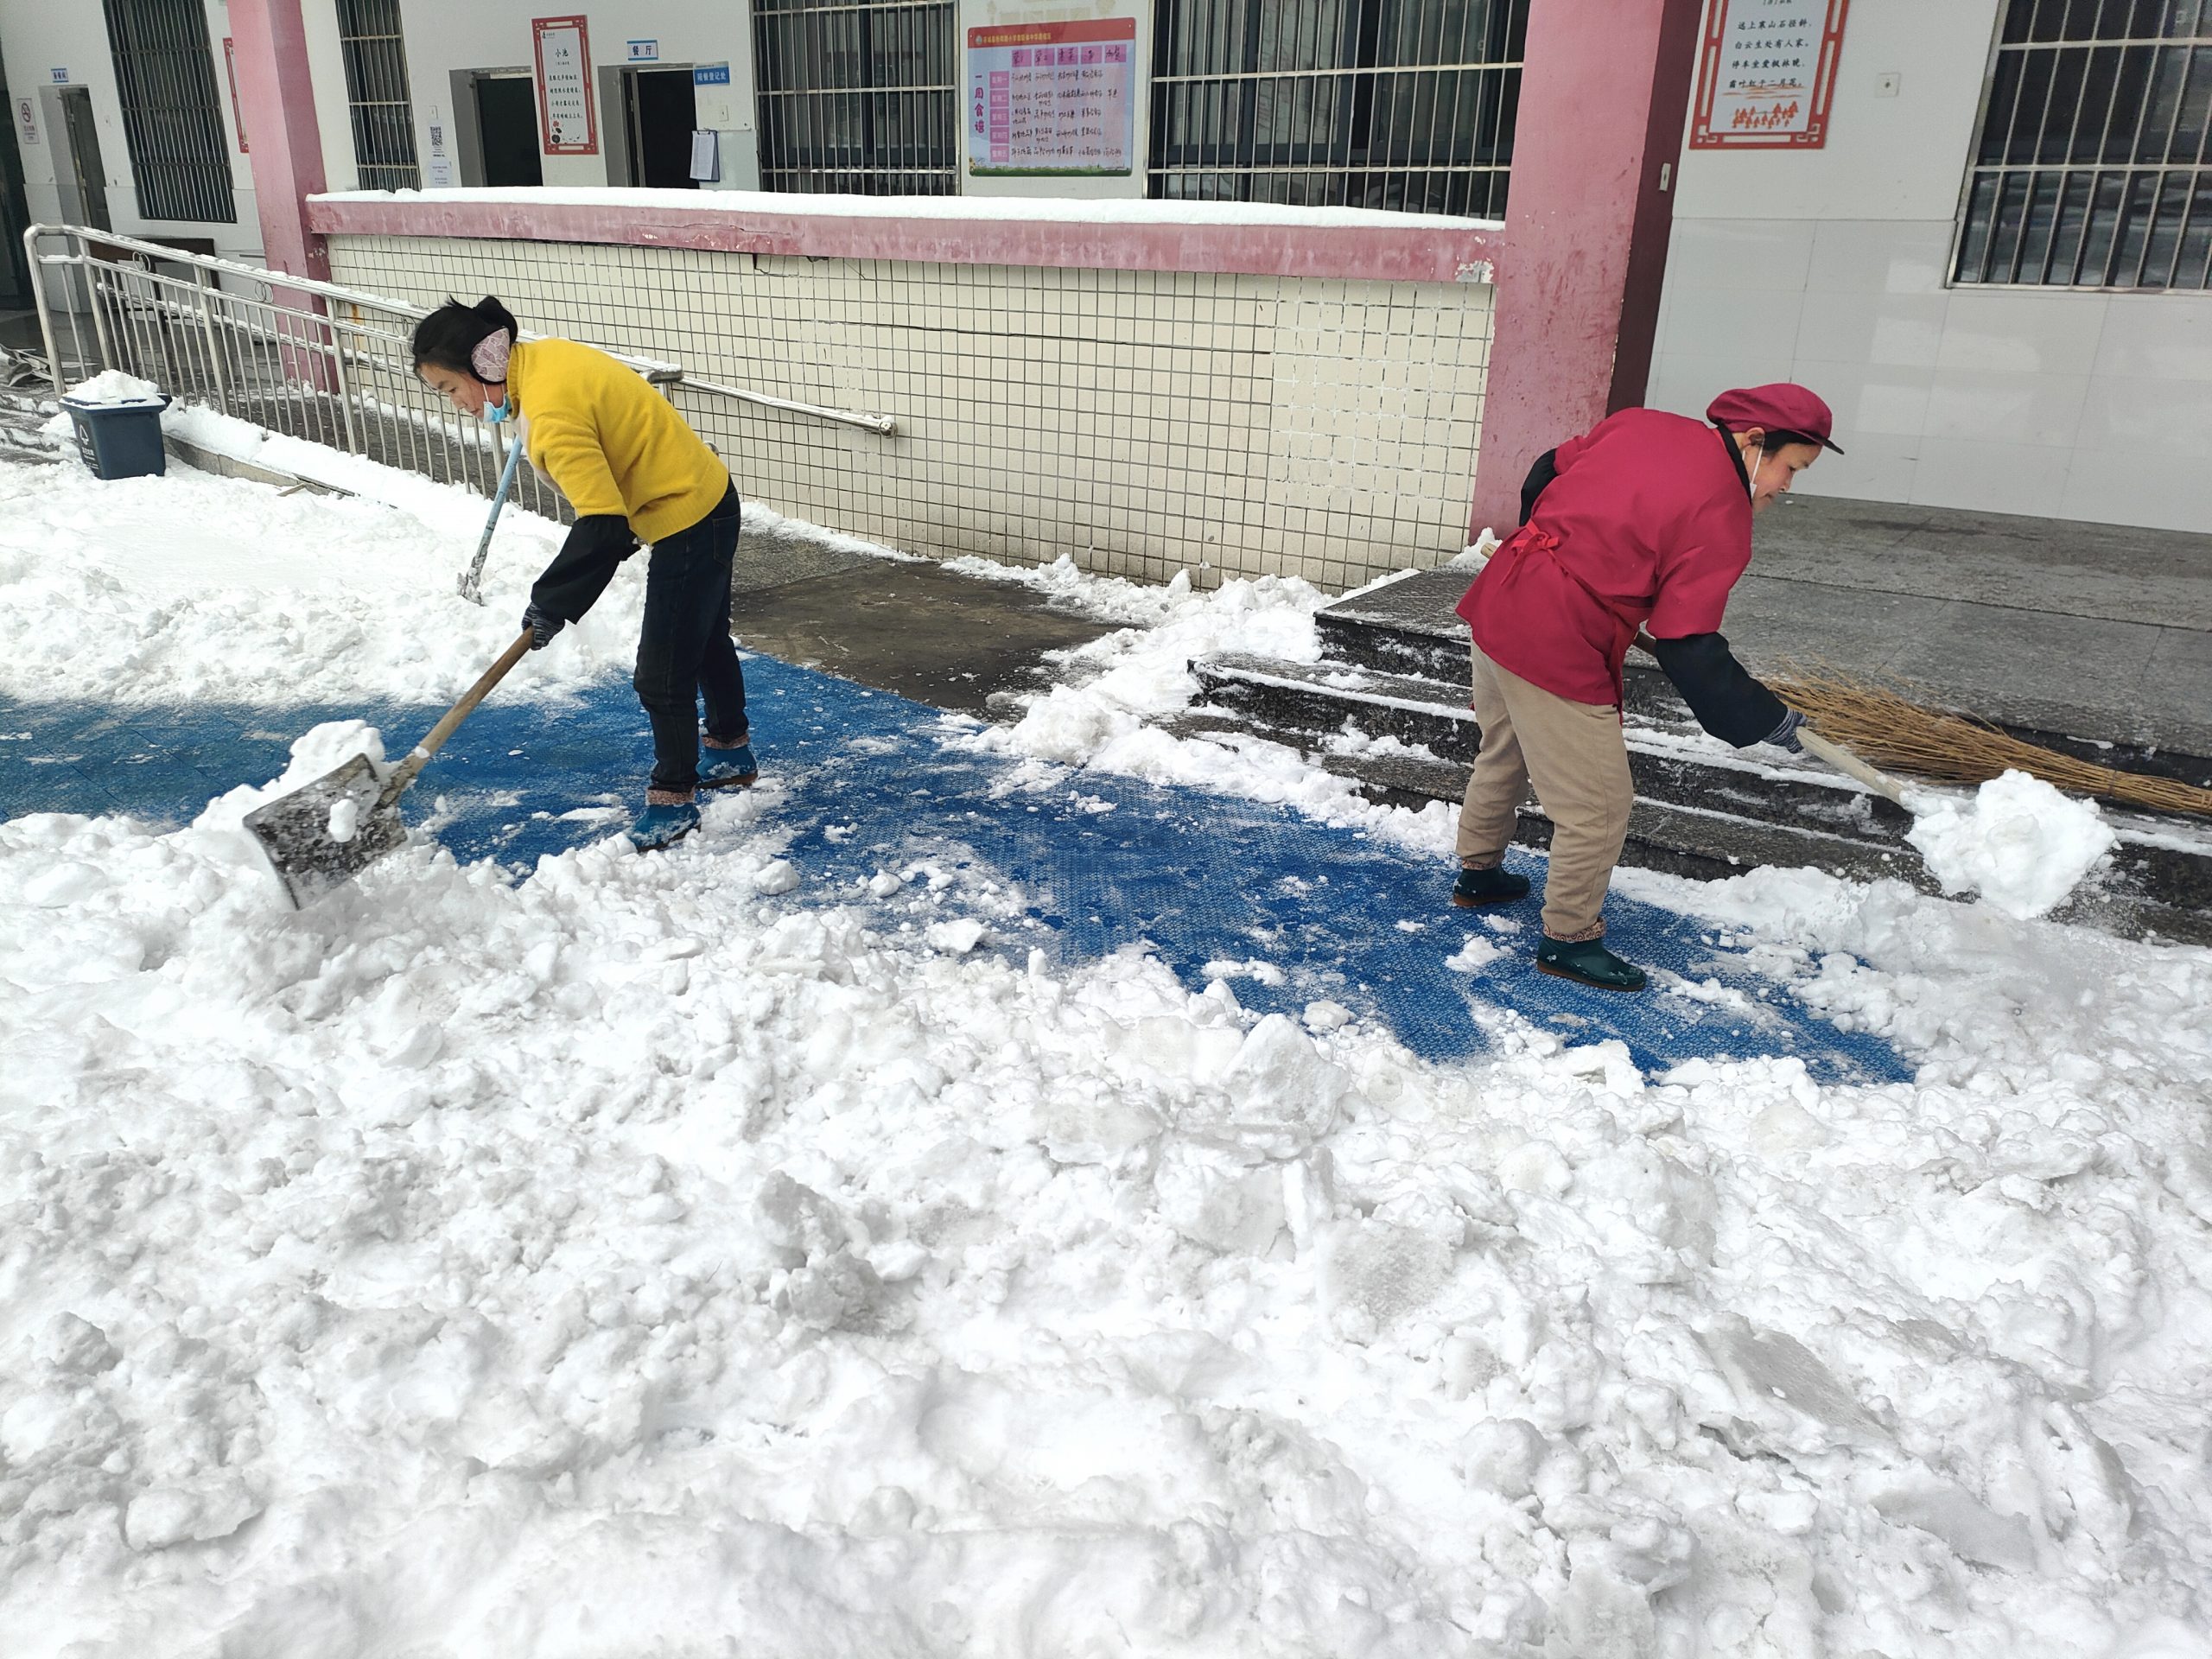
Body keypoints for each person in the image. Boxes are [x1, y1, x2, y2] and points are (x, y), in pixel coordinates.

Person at [1450, 384, 1841, 992]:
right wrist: (1761, 717)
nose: (1786, 486)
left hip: (1503, 596)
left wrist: (1549, 544)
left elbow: (1546, 468)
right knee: (1599, 807)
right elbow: (1687, 642)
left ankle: (1479, 872)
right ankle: (1569, 941)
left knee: (1507, 747)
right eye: (1790, 468)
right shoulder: (1723, 516)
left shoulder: (1641, 425)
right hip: (1555, 638)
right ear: (1753, 441)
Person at [411, 296, 754, 852]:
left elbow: (604, 526)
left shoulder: (551, 414)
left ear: (486, 365)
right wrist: (560, 596)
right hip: (702, 495)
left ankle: (674, 796)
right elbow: (607, 521)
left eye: (452, 389)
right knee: (705, 637)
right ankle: (731, 749)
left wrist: (550, 604)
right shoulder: (541, 363)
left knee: (662, 670)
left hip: (689, 513)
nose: (458, 405)